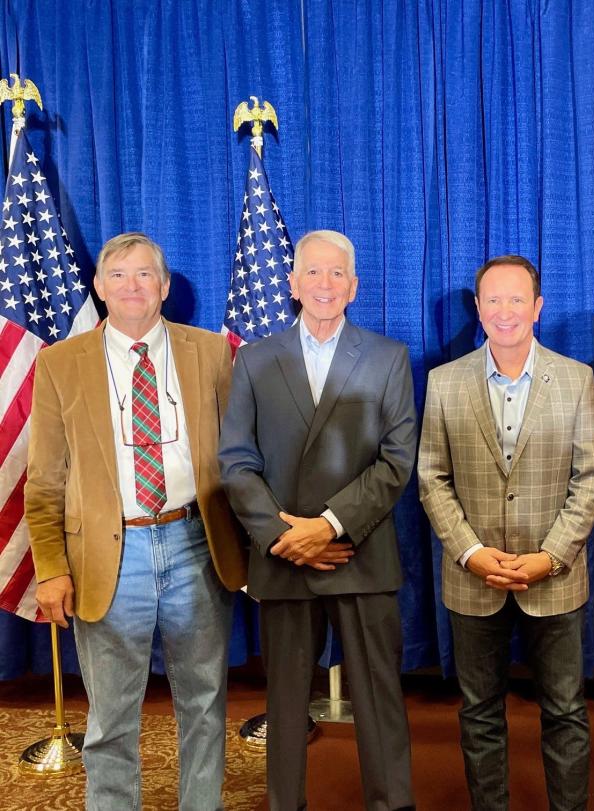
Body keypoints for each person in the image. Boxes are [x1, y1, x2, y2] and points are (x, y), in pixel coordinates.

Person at [26, 232, 247, 809]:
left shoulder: (211, 352)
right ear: (98, 288)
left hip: (195, 545)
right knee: (112, 716)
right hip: (107, 556)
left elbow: (240, 457)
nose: (132, 286)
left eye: (145, 274)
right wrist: (50, 567)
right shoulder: (59, 365)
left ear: (166, 286)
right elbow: (44, 480)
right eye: (118, 275)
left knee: (204, 703)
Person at [218, 229, 417, 811]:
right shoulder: (255, 360)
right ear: (292, 284)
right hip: (283, 560)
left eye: (336, 273)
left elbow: (397, 460)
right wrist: (285, 536)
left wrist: (327, 527)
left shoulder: (388, 357)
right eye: (313, 272)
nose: (324, 284)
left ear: (353, 286)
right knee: (284, 704)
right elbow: (235, 461)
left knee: (379, 700)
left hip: (362, 553)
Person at [418, 254, 594, 811]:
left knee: (566, 711)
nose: (505, 311)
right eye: (493, 300)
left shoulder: (576, 380)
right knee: (479, 713)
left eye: (516, 299)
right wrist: (471, 553)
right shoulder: (443, 382)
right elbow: (432, 478)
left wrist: (551, 557)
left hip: (556, 578)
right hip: (472, 579)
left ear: (538, 306)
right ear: (478, 309)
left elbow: (591, 478)